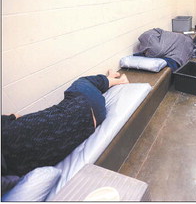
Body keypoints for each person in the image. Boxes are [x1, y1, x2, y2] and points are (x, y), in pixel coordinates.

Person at [1, 70, 129, 178]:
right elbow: (16, 116)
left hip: (92, 119)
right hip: (86, 105)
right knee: (82, 82)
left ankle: (110, 78)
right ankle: (119, 81)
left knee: (76, 94)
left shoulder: (11, 173)